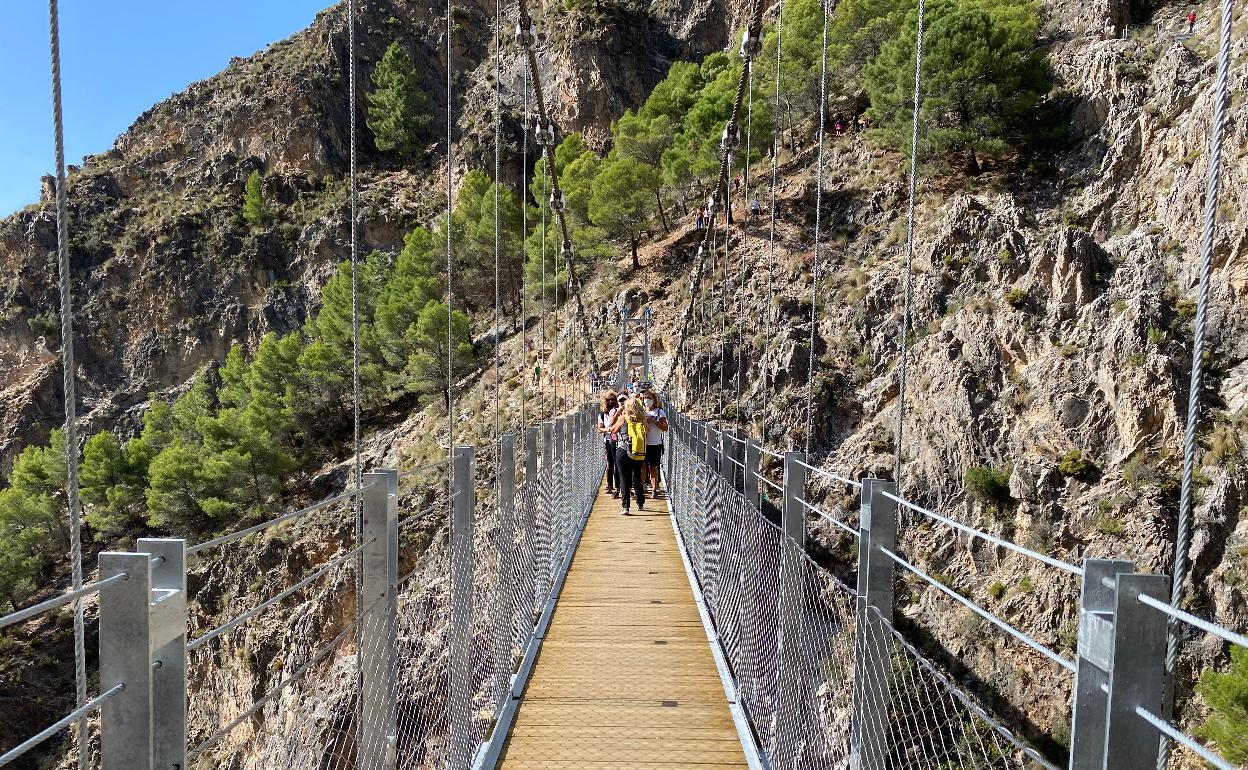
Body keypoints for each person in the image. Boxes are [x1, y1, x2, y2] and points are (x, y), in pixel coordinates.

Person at [607, 394, 648, 514]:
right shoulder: (642, 418)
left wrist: (620, 410)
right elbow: (647, 431)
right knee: (637, 476)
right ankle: (640, 503)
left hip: (623, 450)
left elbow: (613, 429)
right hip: (637, 450)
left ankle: (626, 507)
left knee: (624, 478)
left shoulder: (624, 417)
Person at [641, 390, 668, 496]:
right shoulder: (641, 411)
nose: (647, 400)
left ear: (654, 400)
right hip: (643, 443)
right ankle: (642, 486)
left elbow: (665, 428)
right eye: (645, 398)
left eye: (649, 398)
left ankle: (654, 488)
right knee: (642, 466)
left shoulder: (659, 412)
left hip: (655, 444)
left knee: (653, 466)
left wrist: (655, 422)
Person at [598, 390, 622, 497]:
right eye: (608, 400)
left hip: (619, 441)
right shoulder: (602, 415)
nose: (611, 401)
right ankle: (609, 485)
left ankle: (618, 487)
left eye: (613, 399)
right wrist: (607, 429)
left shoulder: (620, 412)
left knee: (618, 465)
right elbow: (599, 428)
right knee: (610, 464)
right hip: (608, 441)